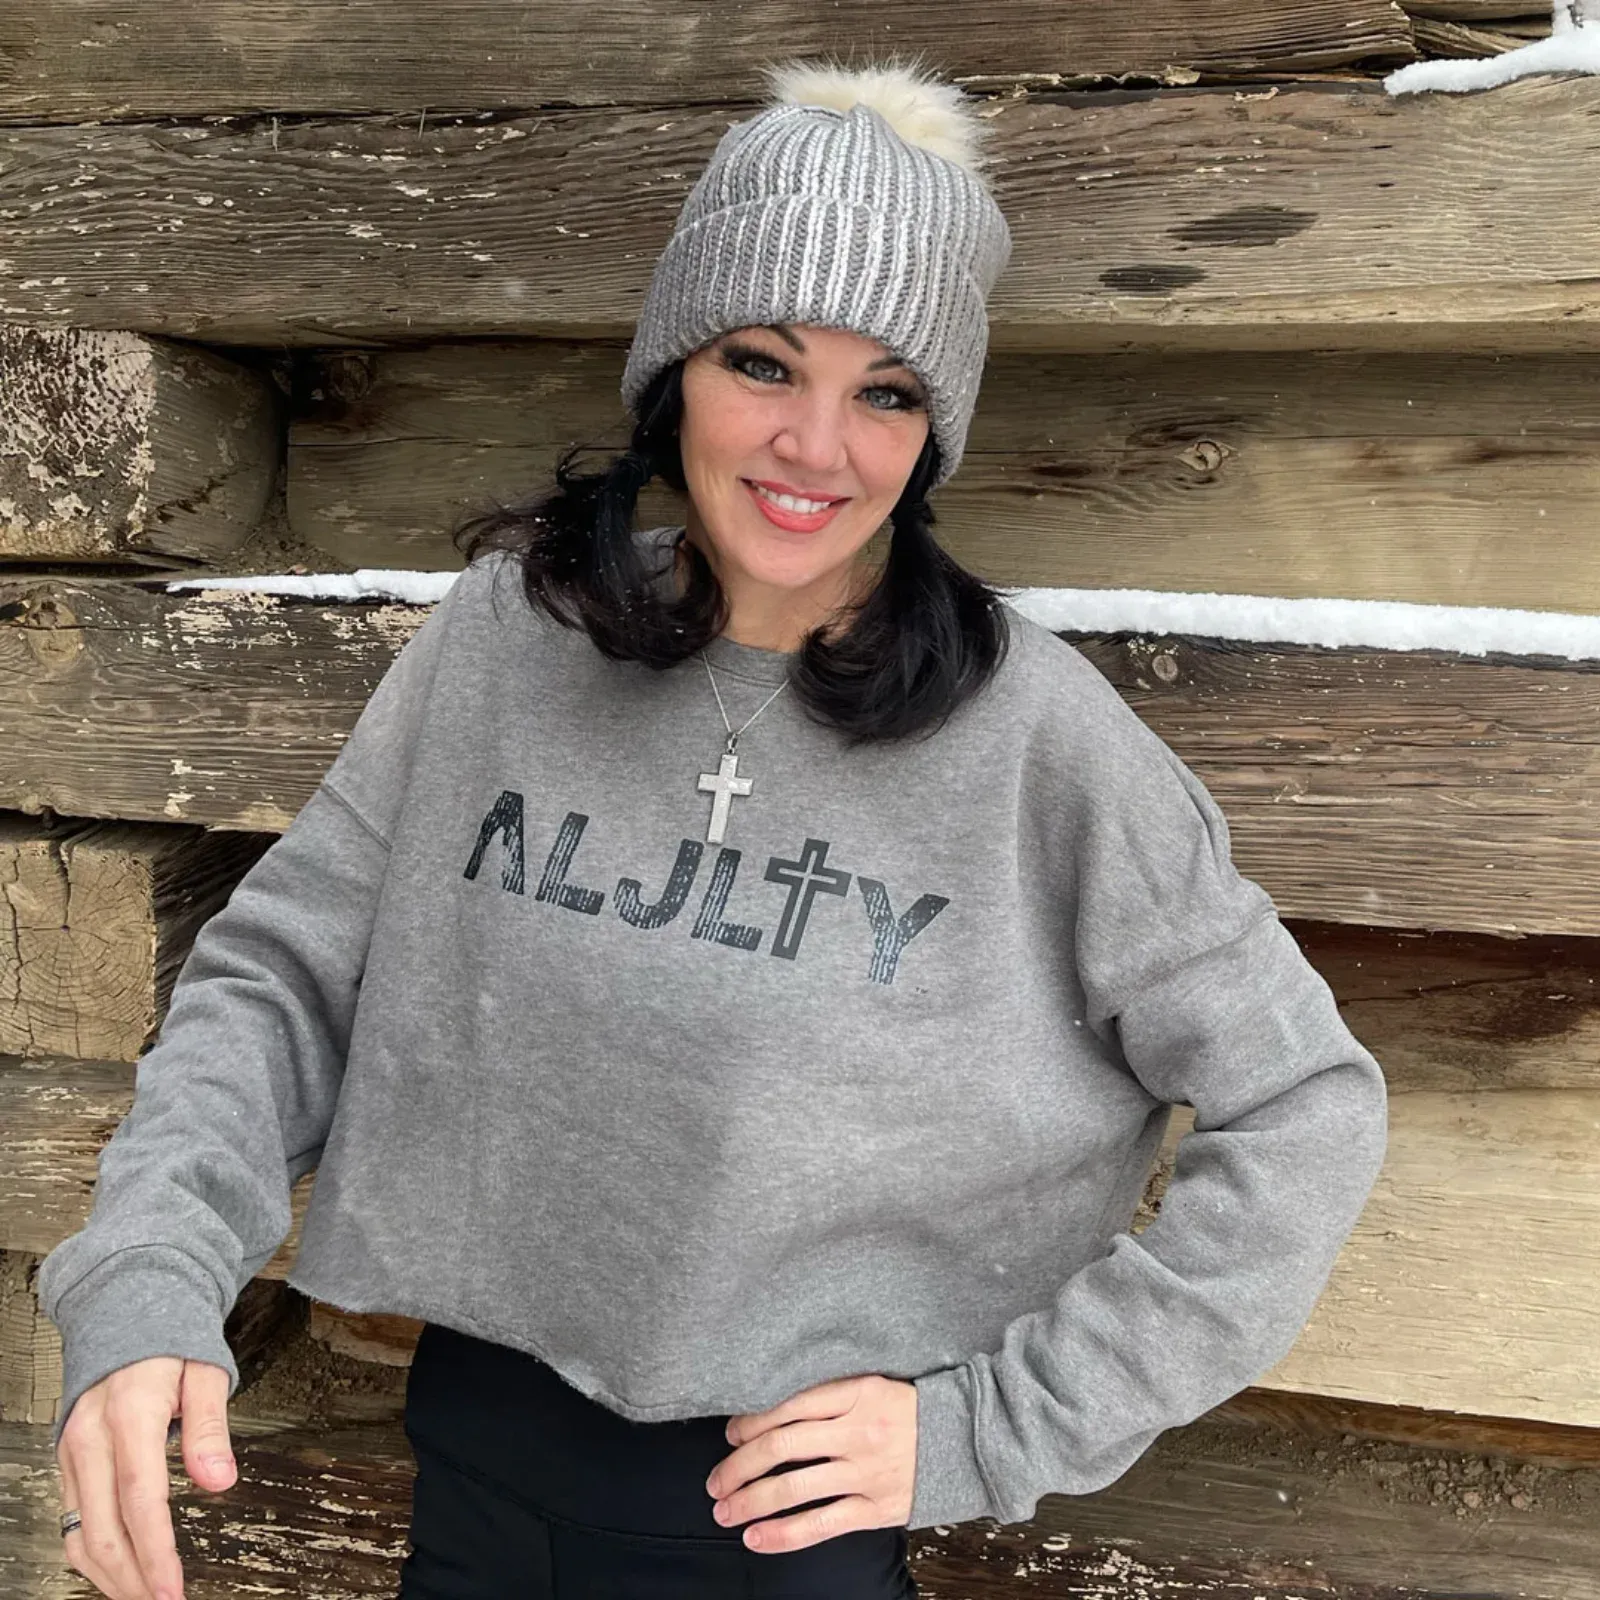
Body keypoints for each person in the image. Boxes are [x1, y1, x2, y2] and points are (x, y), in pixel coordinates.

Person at [37, 56, 1389, 1600]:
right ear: (671, 368)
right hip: (471, 1470)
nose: (816, 447)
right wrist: (148, 1276)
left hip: (772, 1532)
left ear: (932, 432)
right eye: (763, 362)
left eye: (885, 391)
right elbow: (281, 979)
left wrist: (999, 1423)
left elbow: (1308, 1107)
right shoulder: (503, 646)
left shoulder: (1035, 740)